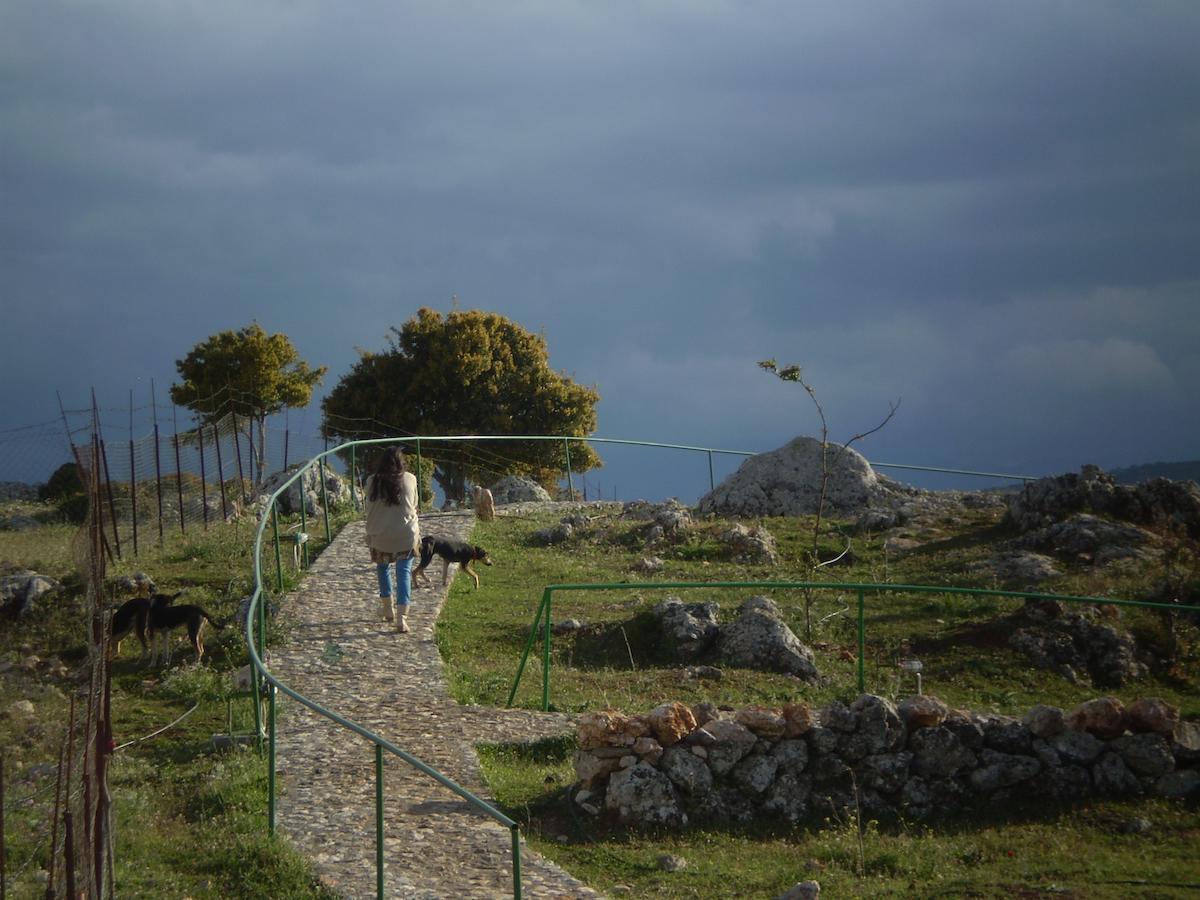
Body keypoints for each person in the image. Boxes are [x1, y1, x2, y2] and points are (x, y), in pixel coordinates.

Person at [363, 446, 420, 633]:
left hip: (380, 537)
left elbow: (369, 508)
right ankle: (402, 618)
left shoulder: (372, 481)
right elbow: (415, 505)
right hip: (405, 536)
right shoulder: (410, 479)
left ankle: (388, 609)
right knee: (403, 571)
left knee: (383, 567)